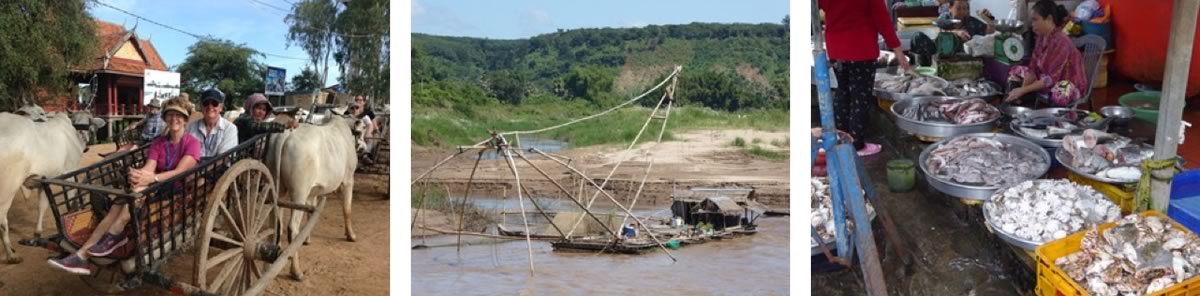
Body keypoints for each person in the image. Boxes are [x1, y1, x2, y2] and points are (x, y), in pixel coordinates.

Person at [48, 96, 201, 275]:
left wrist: (151, 179)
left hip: (177, 188)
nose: (174, 119)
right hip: (154, 187)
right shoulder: (159, 142)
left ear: (185, 119)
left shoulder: (192, 143)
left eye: (179, 115)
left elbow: (180, 172)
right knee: (117, 206)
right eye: (170, 114)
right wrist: (139, 176)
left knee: (134, 193)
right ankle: (82, 255)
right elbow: (149, 167)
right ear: (165, 117)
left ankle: (115, 234)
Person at [819, 0, 913, 156]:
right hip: (861, 49)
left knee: (843, 93)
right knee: (860, 98)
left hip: (836, 49)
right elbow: (882, 20)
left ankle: (840, 138)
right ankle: (856, 144)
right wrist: (898, 51)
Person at [1004, 0, 1088, 107]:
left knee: (1059, 93)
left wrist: (1023, 90)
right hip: (1047, 78)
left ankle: (1056, 118)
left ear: (1049, 19)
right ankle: (1020, 102)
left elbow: (1050, 79)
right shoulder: (1041, 38)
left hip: (1069, 83)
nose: (1032, 25)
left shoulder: (1062, 43)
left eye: (1035, 20)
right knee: (1015, 71)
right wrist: (1021, 90)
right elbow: (1033, 69)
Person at [186, 88, 239, 158]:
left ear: (221, 107)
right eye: (206, 103)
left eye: (214, 103)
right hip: (194, 167)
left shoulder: (230, 129)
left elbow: (225, 158)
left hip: (221, 168)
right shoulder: (191, 127)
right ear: (201, 106)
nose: (210, 106)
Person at [233, 93, 299, 143]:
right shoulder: (244, 119)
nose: (261, 112)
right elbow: (258, 127)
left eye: (264, 110)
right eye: (258, 108)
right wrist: (285, 126)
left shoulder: (254, 120)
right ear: (250, 107)